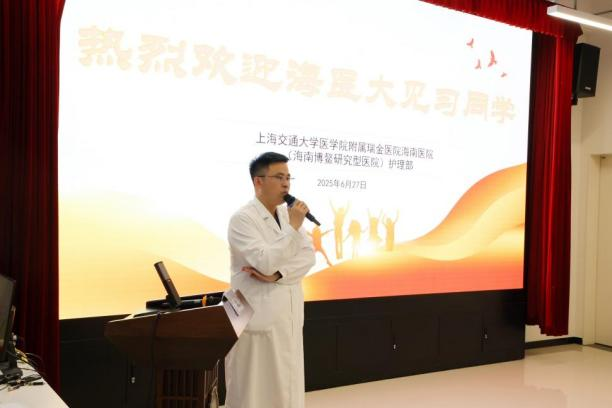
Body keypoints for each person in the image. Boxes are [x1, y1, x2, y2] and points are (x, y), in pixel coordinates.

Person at [224, 151, 316, 408]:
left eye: (288, 177)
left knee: (286, 388)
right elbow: (263, 260)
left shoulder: (288, 216)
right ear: (258, 181)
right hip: (254, 316)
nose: (286, 184)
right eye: (279, 177)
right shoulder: (242, 219)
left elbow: (308, 257)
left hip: (287, 315)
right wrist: (292, 230)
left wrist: (276, 275)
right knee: (253, 390)